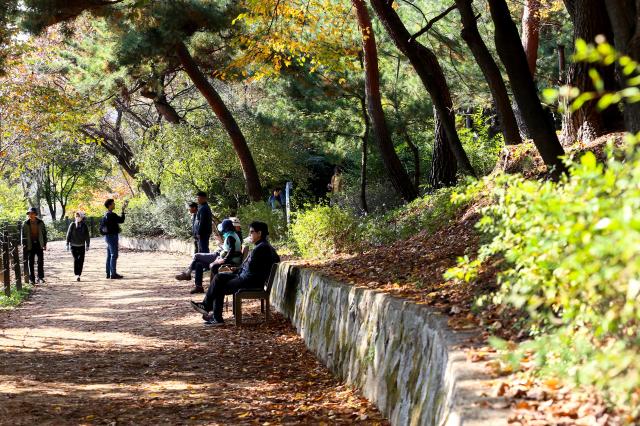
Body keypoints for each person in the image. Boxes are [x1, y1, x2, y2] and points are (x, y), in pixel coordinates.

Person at [190, 221, 280, 326]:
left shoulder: (261, 248)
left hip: (249, 282)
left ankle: (214, 315)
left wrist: (238, 271)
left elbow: (250, 269)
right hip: (248, 278)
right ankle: (208, 308)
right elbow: (253, 267)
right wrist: (236, 270)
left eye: (251, 232)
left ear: (259, 233)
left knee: (219, 285)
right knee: (219, 277)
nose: (249, 235)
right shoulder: (264, 246)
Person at [176, 219, 243, 294]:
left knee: (197, 256)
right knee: (198, 263)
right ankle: (198, 286)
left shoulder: (230, 237)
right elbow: (229, 249)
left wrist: (224, 259)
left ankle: (188, 273)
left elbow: (232, 249)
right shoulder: (232, 235)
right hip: (223, 256)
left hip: (225, 258)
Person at [101, 198, 127, 279]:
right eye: (113, 203)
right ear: (110, 205)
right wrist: (123, 210)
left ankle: (108, 273)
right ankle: (113, 274)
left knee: (109, 255)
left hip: (107, 237)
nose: (114, 205)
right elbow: (121, 220)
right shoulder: (111, 215)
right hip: (112, 237)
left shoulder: (105, 215)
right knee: (114, 255)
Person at [21, 207, 47, 284]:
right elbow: (23, 235)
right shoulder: (25, 223)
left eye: (32, 213)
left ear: (35, 214)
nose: (30, 215)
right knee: (30, 262)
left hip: (39, 244)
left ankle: (40, 277)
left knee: (40, 261)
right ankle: (32, 278)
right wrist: (23, 245)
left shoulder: (40, 222)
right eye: (29, 213)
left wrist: (44, 244)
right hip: (30, 244)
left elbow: (44, 233)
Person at [66, 211, 91, 281]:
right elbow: (68, 234)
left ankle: (79, 274)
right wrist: (67, 244)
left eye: (79, 216)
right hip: (73, 245)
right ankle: (76, 273)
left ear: (82, 217)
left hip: (82, 245)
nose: (77, 217)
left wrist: (88, 245)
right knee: (76, 259)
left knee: (81, 260)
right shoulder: (72, 224)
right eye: (76, 216)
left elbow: (87, 236)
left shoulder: (84, 225)